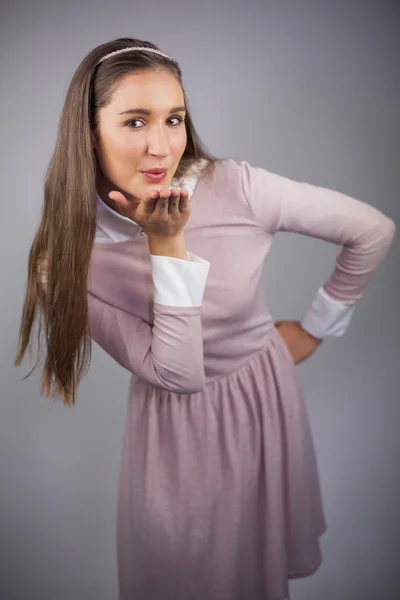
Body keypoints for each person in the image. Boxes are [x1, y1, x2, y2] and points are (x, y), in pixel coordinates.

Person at [15, 37, 396, 600]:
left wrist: (316, 325)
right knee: (184, 574)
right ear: (88, 130)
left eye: (174, 119)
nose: (162, 146)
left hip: (261, 399)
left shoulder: (236, 187)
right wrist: (165, 246)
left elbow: (373, 231)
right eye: (135, 121)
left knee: (256, 576)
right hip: (173, 429)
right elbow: (179, 374)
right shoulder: (65, 260)